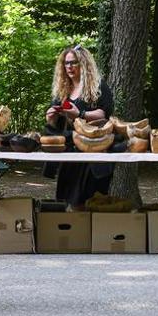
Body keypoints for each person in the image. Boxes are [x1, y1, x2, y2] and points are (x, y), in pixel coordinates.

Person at [44, 44, 114, 209]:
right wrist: (51, 117)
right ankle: (75, 230)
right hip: (70, 151)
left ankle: (92, 231)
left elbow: (103, 114)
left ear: (84, 64)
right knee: (68, 198)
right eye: (66, 63)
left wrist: (80, 114)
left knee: (90, 199)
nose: (69, 67)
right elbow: (55, 123)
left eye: (73, 62)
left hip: (94, 150)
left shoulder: (98, 87)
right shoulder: (63, 90)